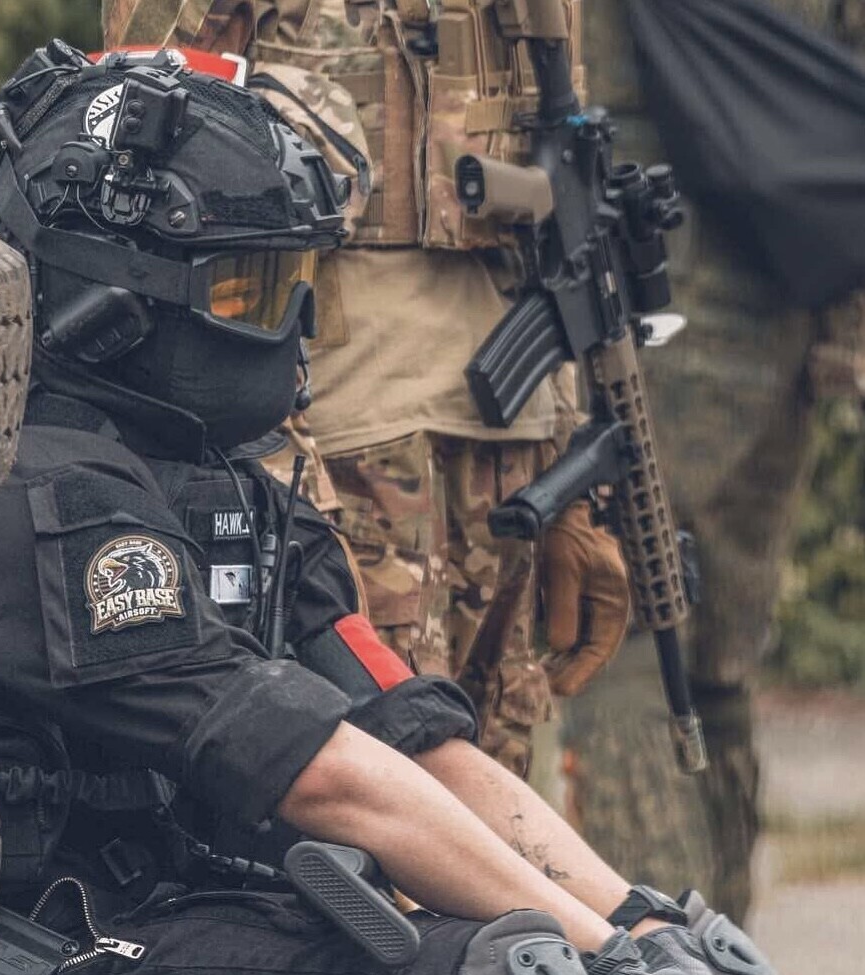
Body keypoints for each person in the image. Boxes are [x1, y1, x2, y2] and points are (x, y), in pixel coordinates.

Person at [0, 42, 776, 975]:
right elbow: (326, 774)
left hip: (169, 902)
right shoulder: (42, 496)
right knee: (503, 970)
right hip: (32, 936)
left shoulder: (231, 487)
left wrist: (636, 922)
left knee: (529, 956)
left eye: (298, 280)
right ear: (113, 299)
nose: (293, 323)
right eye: (247, 290)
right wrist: (605, 960)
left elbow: (410, 737)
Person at [100, 0, 632, 783]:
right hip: (335, 442)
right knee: (378, 797)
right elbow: (139, 167)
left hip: (512, 447)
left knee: (494, 799)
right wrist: (270, 474)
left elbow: (565, 200)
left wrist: (577, 482)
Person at [562, 0, 865, 922]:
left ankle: (662, 946)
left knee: (624, 617)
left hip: (656, 268)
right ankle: (721, 943)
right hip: (794, 257)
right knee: (709, 645)